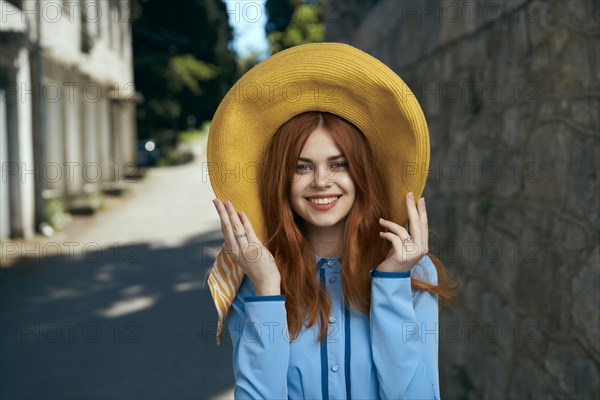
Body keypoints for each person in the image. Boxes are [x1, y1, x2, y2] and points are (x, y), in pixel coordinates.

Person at [206, 43, 456, 400]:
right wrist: (266, 287)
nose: (321, 181)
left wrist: (391, 281)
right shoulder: (251, 278)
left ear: (362, 174)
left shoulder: (416, 273)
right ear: (282, 179)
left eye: (338, 164)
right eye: (301, 167)